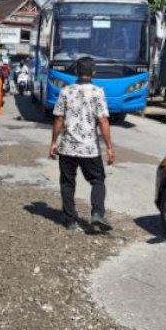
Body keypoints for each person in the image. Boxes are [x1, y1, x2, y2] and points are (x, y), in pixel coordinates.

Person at [49, 57, 116, 234]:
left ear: (76, 72)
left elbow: (59, 119)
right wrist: (109, 147)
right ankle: (97, 214)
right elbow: (103, 120)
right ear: (93, 73)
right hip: (89, 148)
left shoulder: (65, 91)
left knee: (67, 183)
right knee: (98, 181)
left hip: (67, 147)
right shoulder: (97, 92)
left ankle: (70, 221)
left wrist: (53, 142)